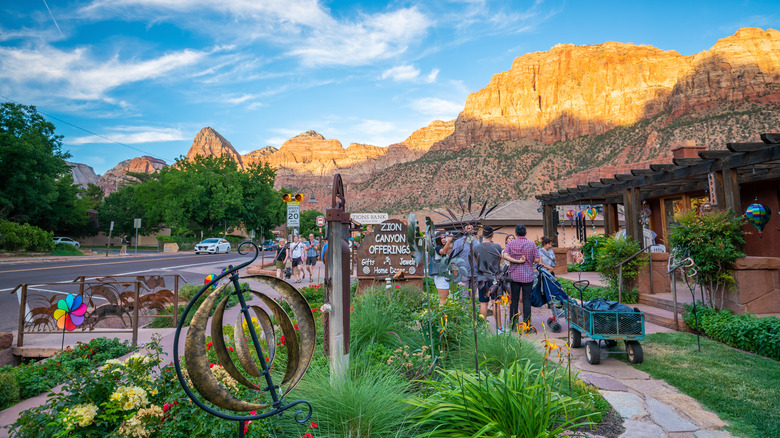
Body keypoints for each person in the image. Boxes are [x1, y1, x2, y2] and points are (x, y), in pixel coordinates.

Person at [502, 224, 540, 329]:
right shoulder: (532, 244)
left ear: (515, 233)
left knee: (514, 300)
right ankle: (527, 325)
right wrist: (529, 259)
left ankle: (513, 325)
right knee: (527, 300)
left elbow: (505, 255)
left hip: (514, 276)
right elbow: (537, 259)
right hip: (528, 276)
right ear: (526, 233)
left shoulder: (510, 244)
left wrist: (516, 261)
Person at [476, 226, 504, 332]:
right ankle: (499, 328)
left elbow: (476, 260)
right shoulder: (497, 246)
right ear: (492, 235)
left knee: (483, 303)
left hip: (482, 278)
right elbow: (499, 259)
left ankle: (482, 328)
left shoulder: (477, 247)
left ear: (482, 235)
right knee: (496, 302)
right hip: (494, 278)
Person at [451, 223, 481, 297]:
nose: (470, 230)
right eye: (468, 228)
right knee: (464, 295)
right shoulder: (458, 242)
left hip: (475, 273)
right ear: (464, 230)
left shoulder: (476, 243)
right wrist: (455, 271)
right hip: (463, 273)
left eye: (471, 228)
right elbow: (454, 258)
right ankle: (464, 309)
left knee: (473, 296)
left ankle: (472, 308)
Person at [431, 232, 454, 305]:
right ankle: (441, 315)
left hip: (443, 276)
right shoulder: (438, 248)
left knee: (444, 299)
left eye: (444, 237)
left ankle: (443, 315)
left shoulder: (442, 248)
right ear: (438, 239)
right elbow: (443, 251)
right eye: (442, 238)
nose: (444, 239)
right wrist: (449, 241)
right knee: (443, 300)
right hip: (440, 277)